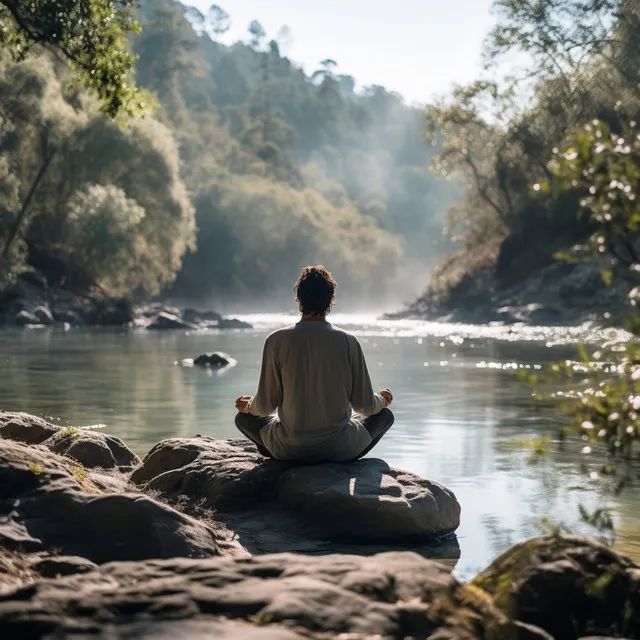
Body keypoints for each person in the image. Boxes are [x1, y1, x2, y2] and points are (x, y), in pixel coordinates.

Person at [235, 265, 394, 463]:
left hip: (289, 450)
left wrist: (249, 406)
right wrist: (382, 399)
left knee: (242, 419)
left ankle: (278, 453)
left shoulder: (276, 340)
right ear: (330, 300)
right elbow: (366, 406)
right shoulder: (348, 341)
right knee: (385, 416)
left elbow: (266, 406)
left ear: (298, 299)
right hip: (339, 451)